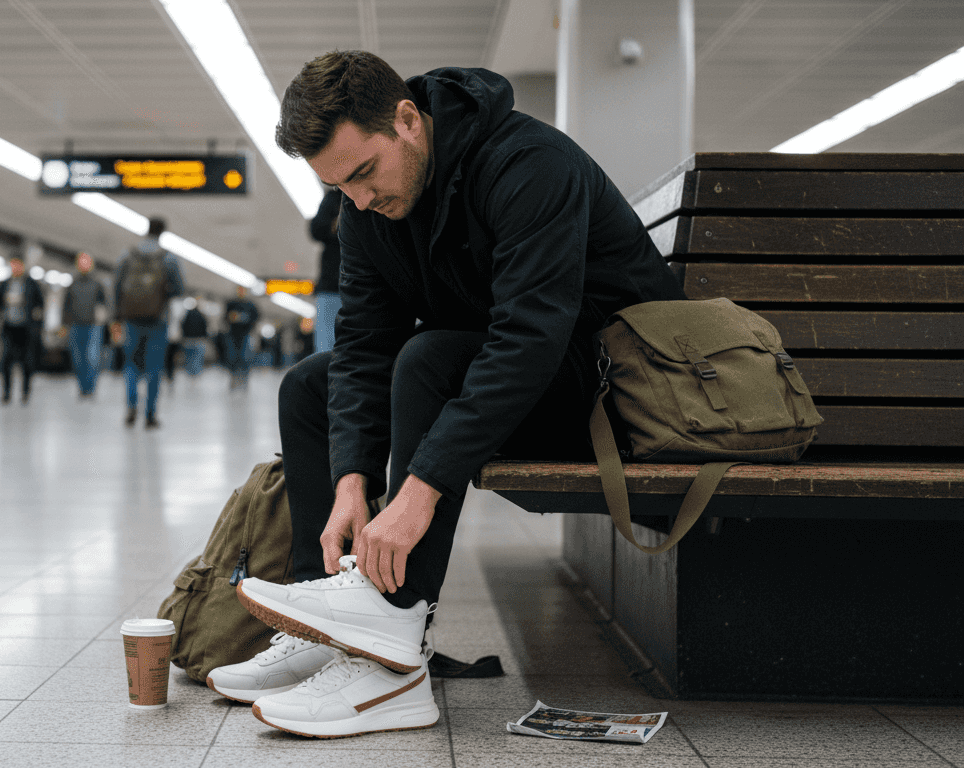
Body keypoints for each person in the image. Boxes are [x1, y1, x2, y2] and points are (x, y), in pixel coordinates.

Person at [212, 51, 687, 738]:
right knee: (310, 385)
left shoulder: (528, 164)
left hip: (608, 394)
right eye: (339, 187)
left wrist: (420, 486)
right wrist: (352, 479)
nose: (360, 201)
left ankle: (396, 652)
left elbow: (529, 338)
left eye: (365, 173)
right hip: (504, 374)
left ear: (408, 120)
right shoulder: (369, 209)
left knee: (430, 358)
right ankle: (327, 626)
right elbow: (363, 343)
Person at [113, 217, 184, 428]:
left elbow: (117, 286)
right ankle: (150, 415)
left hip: (132, 318)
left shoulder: (128, 254)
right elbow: (179, 288)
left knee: (131, 365)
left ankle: (131, 406)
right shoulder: (168, 258)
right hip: (157, 318)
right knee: (154, 367)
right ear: (162, 233)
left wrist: (118, 313)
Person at [0, 255, 44, 404]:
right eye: (13, 265)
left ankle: (25, 392)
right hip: (9, 328)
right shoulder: (5, 284)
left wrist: (38, 327)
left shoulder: (32, 284)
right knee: (6, 361)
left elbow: (40, 306)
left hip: (26, 329)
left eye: (18, 265)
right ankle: (6, 393)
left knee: (27, 362)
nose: (15, 268)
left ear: (23, 266)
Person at [59, 251, 108, 398]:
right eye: (81, 261)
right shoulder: (72, 284)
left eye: (86, 261)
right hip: (75, 326)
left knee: (92, 358)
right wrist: (63, 325)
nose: (84, 264)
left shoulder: (97, 284)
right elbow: (65, 306)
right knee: (78, 359)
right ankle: (82, 387)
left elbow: (104, 305)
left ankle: (90, 387)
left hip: (93, 327)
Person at [310, 186, 343, 353]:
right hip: (331, 285)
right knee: (325, 344)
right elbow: (316, 229)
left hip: (367, 282)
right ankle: (326, 378)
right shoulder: (333, 198)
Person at [224, 286, 259, 388]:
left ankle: (244, 378)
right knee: (232, 357)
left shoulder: (250, 305)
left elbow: (255, 318)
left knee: (245, 358)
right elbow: (225, 318)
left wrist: (246, 321)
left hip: (246, 335)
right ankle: (233, 378)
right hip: (232, 335)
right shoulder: (231, 304)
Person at [179, 297, 208, 376]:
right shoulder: (201, 315)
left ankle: (189, 375)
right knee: (197, 361)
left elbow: (182, 326)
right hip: (199, 341)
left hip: (188, 341)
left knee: (189, 360)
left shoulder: (187, 314)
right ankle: (195, 376)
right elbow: (205, 327)